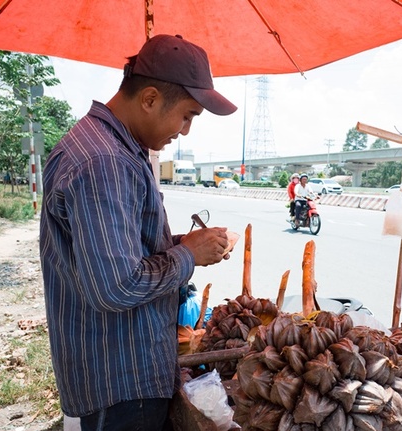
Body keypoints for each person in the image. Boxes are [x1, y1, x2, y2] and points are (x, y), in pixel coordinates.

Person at [39, 34, 237, 431]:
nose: (185, 131)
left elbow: (119, 250)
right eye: (187, 115)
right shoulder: (104, 162)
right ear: (149, 99)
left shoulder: (110, 148)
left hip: (115, 370)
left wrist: (183, 244)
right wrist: (187, 255)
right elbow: (116, 286)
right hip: (121, 379)